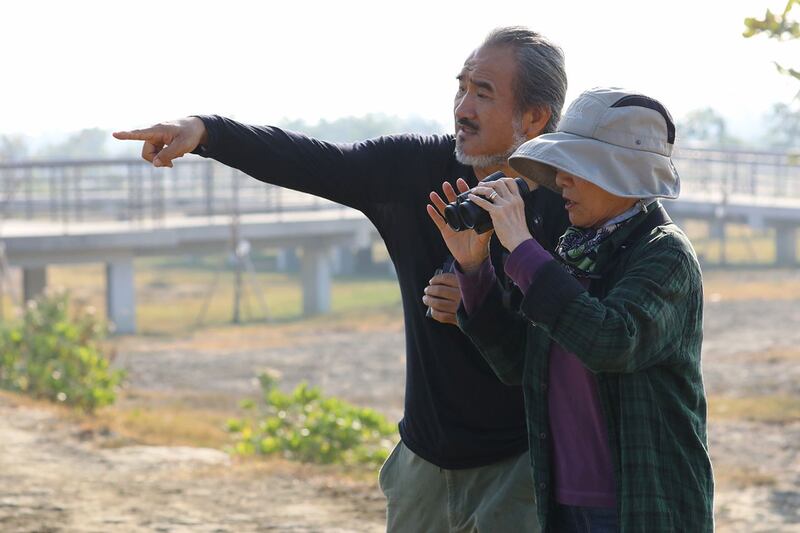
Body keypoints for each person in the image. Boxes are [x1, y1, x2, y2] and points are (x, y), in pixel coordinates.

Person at [114, 27, 570, 532]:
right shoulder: (413, 170)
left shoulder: (571, 206)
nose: (462, 107)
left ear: (534, 116)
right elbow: (311, 161)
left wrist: (479, 300)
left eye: (483, 93)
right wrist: (205, 131)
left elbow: (577, 348)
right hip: (424, 464)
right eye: (461, 87)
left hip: (521, 469)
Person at [428, 87, 714, 532]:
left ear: (622, 173)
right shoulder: (575, 248)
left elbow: (609, 342)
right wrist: (474, 268)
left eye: (576, 168)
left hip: (640, 500)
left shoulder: (665, 254)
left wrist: (522, 247)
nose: (561, 180)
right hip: (564, 501)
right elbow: (519, 363)